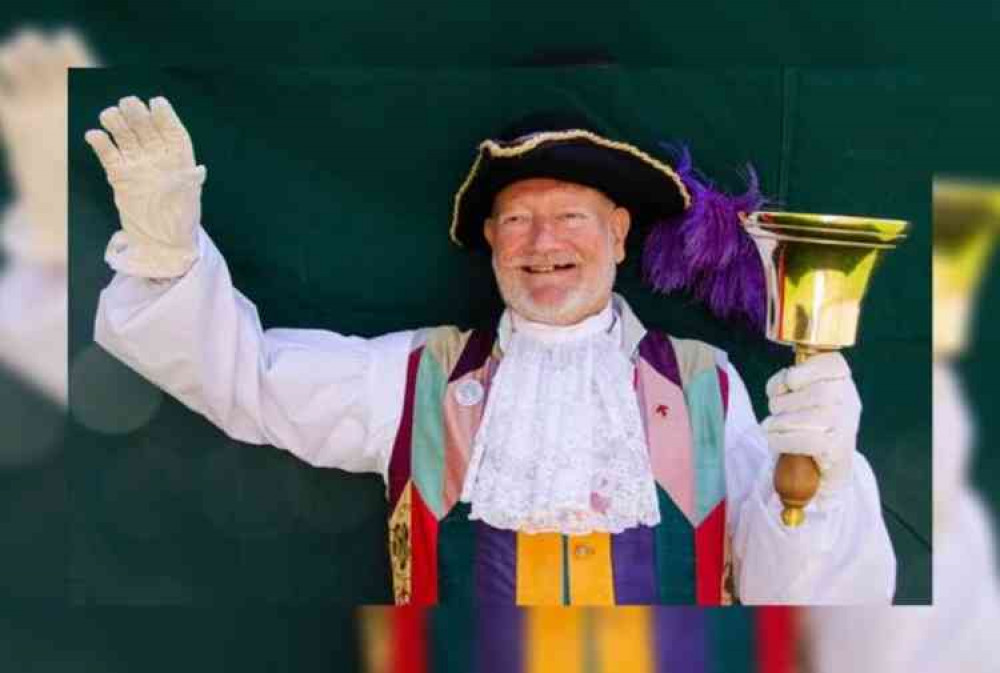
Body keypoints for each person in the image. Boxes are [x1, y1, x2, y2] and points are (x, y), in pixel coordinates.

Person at [85, 95, 895, 605]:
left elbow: (799, 600)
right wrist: (168, 257)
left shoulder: (707, 385)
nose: (543, 242)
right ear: (491, 241)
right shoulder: (413, 376)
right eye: (516, 219)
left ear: (618, 232)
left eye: (572, 215)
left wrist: (822, 484)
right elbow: (250, 378)